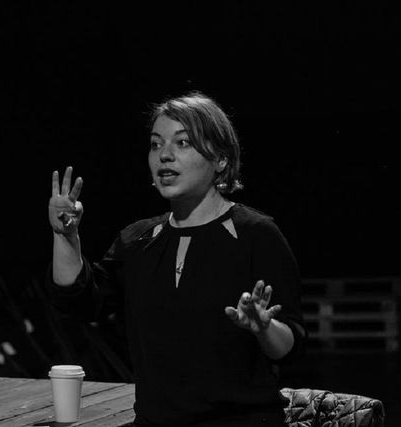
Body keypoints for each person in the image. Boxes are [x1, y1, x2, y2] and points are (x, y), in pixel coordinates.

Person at [47, 92, 305, 427]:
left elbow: (290, 347)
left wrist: (265, 328)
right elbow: (81, 303)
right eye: (156, 144)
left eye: (183, 143)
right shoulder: (138, 240)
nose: (164, 155)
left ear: (221, 159)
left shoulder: (255, 234)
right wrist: (65, 237)